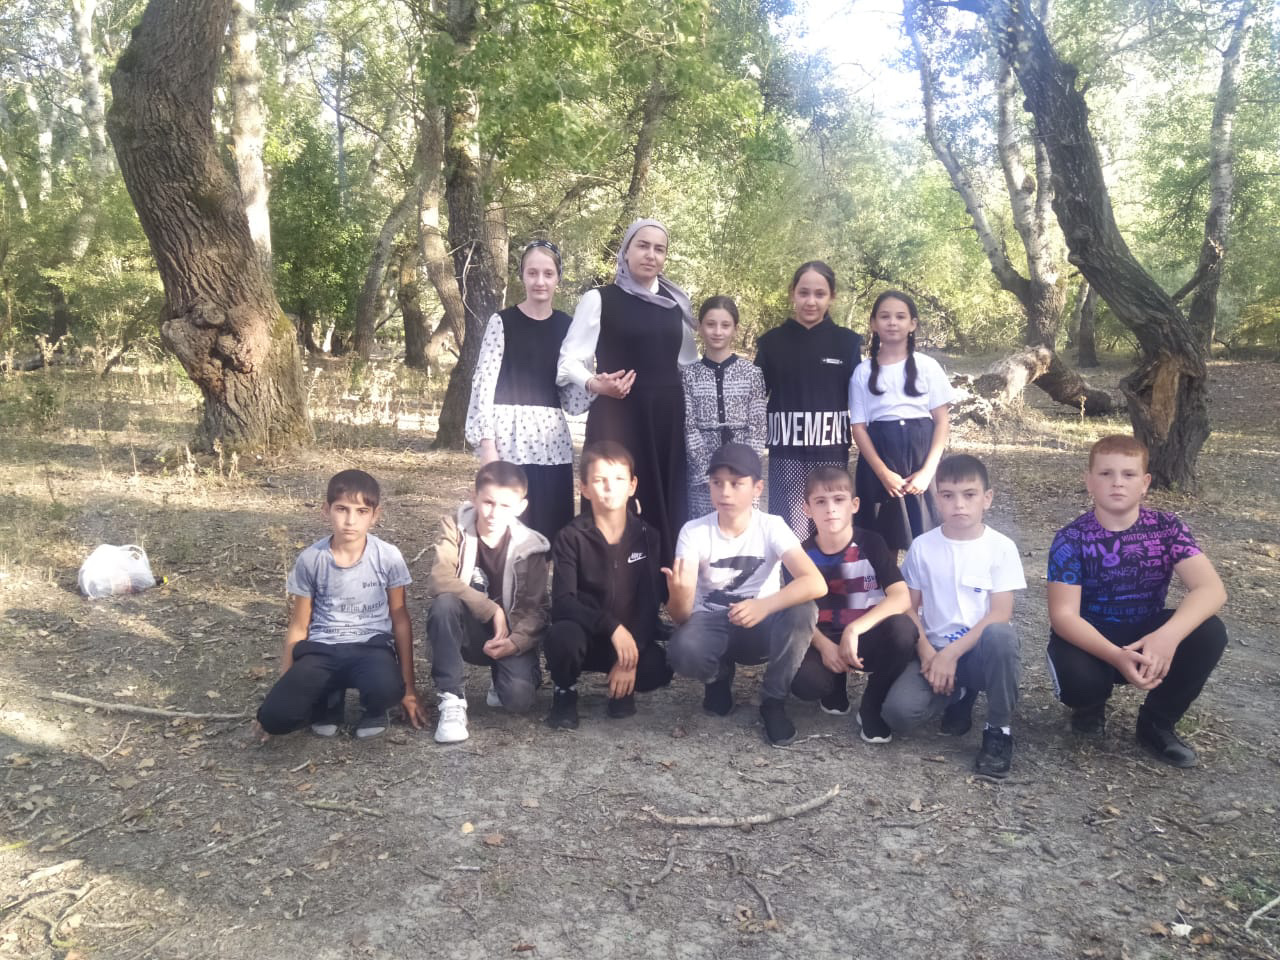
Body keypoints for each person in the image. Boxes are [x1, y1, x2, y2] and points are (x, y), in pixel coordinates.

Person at [1046, 435, 1228, 768]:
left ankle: (1157, 723)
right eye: (1106, 474)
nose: (1117, 482)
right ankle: (1089, 708)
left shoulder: (1168, 528)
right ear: (1089, 481)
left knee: (1210, 632)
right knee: (1077, 678)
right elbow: (1063, 616)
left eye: (1128, 474)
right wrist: (1116, 656)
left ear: (1144, 483)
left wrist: (1167, 636)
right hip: (1091, 640)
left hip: (1147, 636)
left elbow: (1211, 589)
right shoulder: (1071, 538)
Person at [664, 442, 827, 747]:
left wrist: (764, 606)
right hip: (712, 623)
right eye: (717, 483)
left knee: (804, 609)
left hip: (760, 624)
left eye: (736, 484)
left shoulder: (772, 526)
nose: (725, 492)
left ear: (757, 488)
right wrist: (678, 595)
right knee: (682, 650)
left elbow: (816, 582)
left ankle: (773, 701)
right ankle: (717, 677)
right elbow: (681, 616)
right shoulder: (693, 531)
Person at [557, 218, 697, 563]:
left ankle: (660, 582)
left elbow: (688, 363)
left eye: (659, 249)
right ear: (626, 250)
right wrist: (595, 383)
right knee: (613, 500)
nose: (651, 255)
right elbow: (568, 361)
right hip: (617, 417)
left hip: (665, 421)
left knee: (662, 502)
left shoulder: (676, 304)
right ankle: (606, 580)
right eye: (643, 245)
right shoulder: (600, 299)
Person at [881, 455, 1026, 777]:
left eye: (969, 494)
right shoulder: (922, 547)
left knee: (1002, 636)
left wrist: (951, 655)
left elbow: (1000, 613)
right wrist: (928, 653)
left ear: (987, 498)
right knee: (898, 715)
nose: (959, 504)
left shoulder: (1001, 547)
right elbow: (908, 607)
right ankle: (957, 694)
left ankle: (998, 730)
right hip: (933, 651)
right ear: (937, 500)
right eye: (947, 495)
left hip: (978, 652)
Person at [257, 470, 427, 739]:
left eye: (361, 511)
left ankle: (373, 709)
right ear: (326, 510)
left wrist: (409, 689)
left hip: (371, 647)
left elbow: (400, 618)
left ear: (375, 515)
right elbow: (299, 625)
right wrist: (284, 685)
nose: (350, 520)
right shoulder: (311, 559)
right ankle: (329, 700)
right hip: (322, 649)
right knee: (274, 717)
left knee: (386, 688)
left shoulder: (388, 557)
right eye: (341, 509)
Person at [544, 441, 674, 729]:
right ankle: (564, 691)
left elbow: (648, 602)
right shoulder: (570, 537)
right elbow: (563, 603)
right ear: (584, 488)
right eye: (599, 480)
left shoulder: (648, 535)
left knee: (657, 667)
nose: (609, 488)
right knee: (561, 638)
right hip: (585, 635)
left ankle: (622, 688)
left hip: (627, 637)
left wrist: (630, 656)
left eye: (618, 479)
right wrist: (611, 627)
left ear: (632, 485)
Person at [787, 466, 916, 743]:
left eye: (839, 499)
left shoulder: (872, 543)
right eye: (820, 502)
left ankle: (872, 703)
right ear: (807, 509)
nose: (830, 509)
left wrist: (854, 629)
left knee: (904, 630)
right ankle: (834, 684)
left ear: (854, 505)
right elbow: (794, 610)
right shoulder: (801, 554)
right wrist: (824, 646)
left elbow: (901, 596)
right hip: (824, 638)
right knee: (805, 683)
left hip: (865, 636)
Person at [425, 461, 551, 744]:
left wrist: (516, 642)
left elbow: (538, 610)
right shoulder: (455, 527)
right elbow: (439, 579)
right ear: (474, 496)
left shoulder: (531, 546)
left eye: (505, 506)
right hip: (467, 628)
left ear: (521, 507)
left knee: (518, 700)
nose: (494, 513)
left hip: (508, 634)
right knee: (444, 604)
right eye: (488, 502)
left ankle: (504, 676)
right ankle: (452, 699)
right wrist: (490, 608)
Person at [465, 239, 577, 540]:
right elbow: (483, 385)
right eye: (532, 273)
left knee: (552, 532)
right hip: (508, 441)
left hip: (552, 445)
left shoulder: (567, 326)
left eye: (548, 274)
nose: (540, 281)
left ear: (558, 278)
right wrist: (487, 445)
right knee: (506, 532)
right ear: (522, 276)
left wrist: (594, 381)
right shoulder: (502, 322)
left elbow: (573, 398)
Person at [754, 261, 863, 538]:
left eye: (820, 294)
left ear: (832, 297)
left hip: (831, 451)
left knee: (832, 526)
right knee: (791, 533)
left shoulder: (848, 343)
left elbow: (862, 401)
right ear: (792, 292)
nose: (811, 301)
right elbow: (753, 399)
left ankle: (833, 570)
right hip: (786, 453)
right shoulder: (770, 343)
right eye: (803, 293)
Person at [849, 290, 954, 550]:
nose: (892, 322)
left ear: (912, 324)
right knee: (881, 543)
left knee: (927, 541)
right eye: (885, 317)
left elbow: (942, 422)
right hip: (879, 464)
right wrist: (883, 474)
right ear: (873, 323)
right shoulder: (862, 372)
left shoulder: (928, 367)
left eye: (900, 316)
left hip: (921, 460)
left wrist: (927, 473)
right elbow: (859, 428)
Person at [682, 296, 767, 520]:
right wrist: (708, 472)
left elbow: (758, 427)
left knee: (742, 529)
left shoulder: (752, 374)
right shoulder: (689, 375)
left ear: (735, 329)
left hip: (743, 473)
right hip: (702, 477)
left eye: (725, 325)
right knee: (705, 530)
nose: (718, 331)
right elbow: (689, 426)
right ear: (700, 328)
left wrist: (744, 468)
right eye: (711, 324)